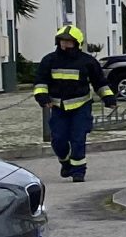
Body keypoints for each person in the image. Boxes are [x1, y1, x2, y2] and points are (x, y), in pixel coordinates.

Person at [31, 23, 109, 182]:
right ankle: (66, 162)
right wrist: (42, 97)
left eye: (69, 41)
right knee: (58, 140)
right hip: (58, 107)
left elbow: (99, 82)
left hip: (81, 106)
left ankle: (79, 171)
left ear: (76, 43)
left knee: (78, 138)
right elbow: (40, 82)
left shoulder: (87, 61)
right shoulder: (49, 60)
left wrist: (108, 98)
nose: (65, 44)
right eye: (62, 41)